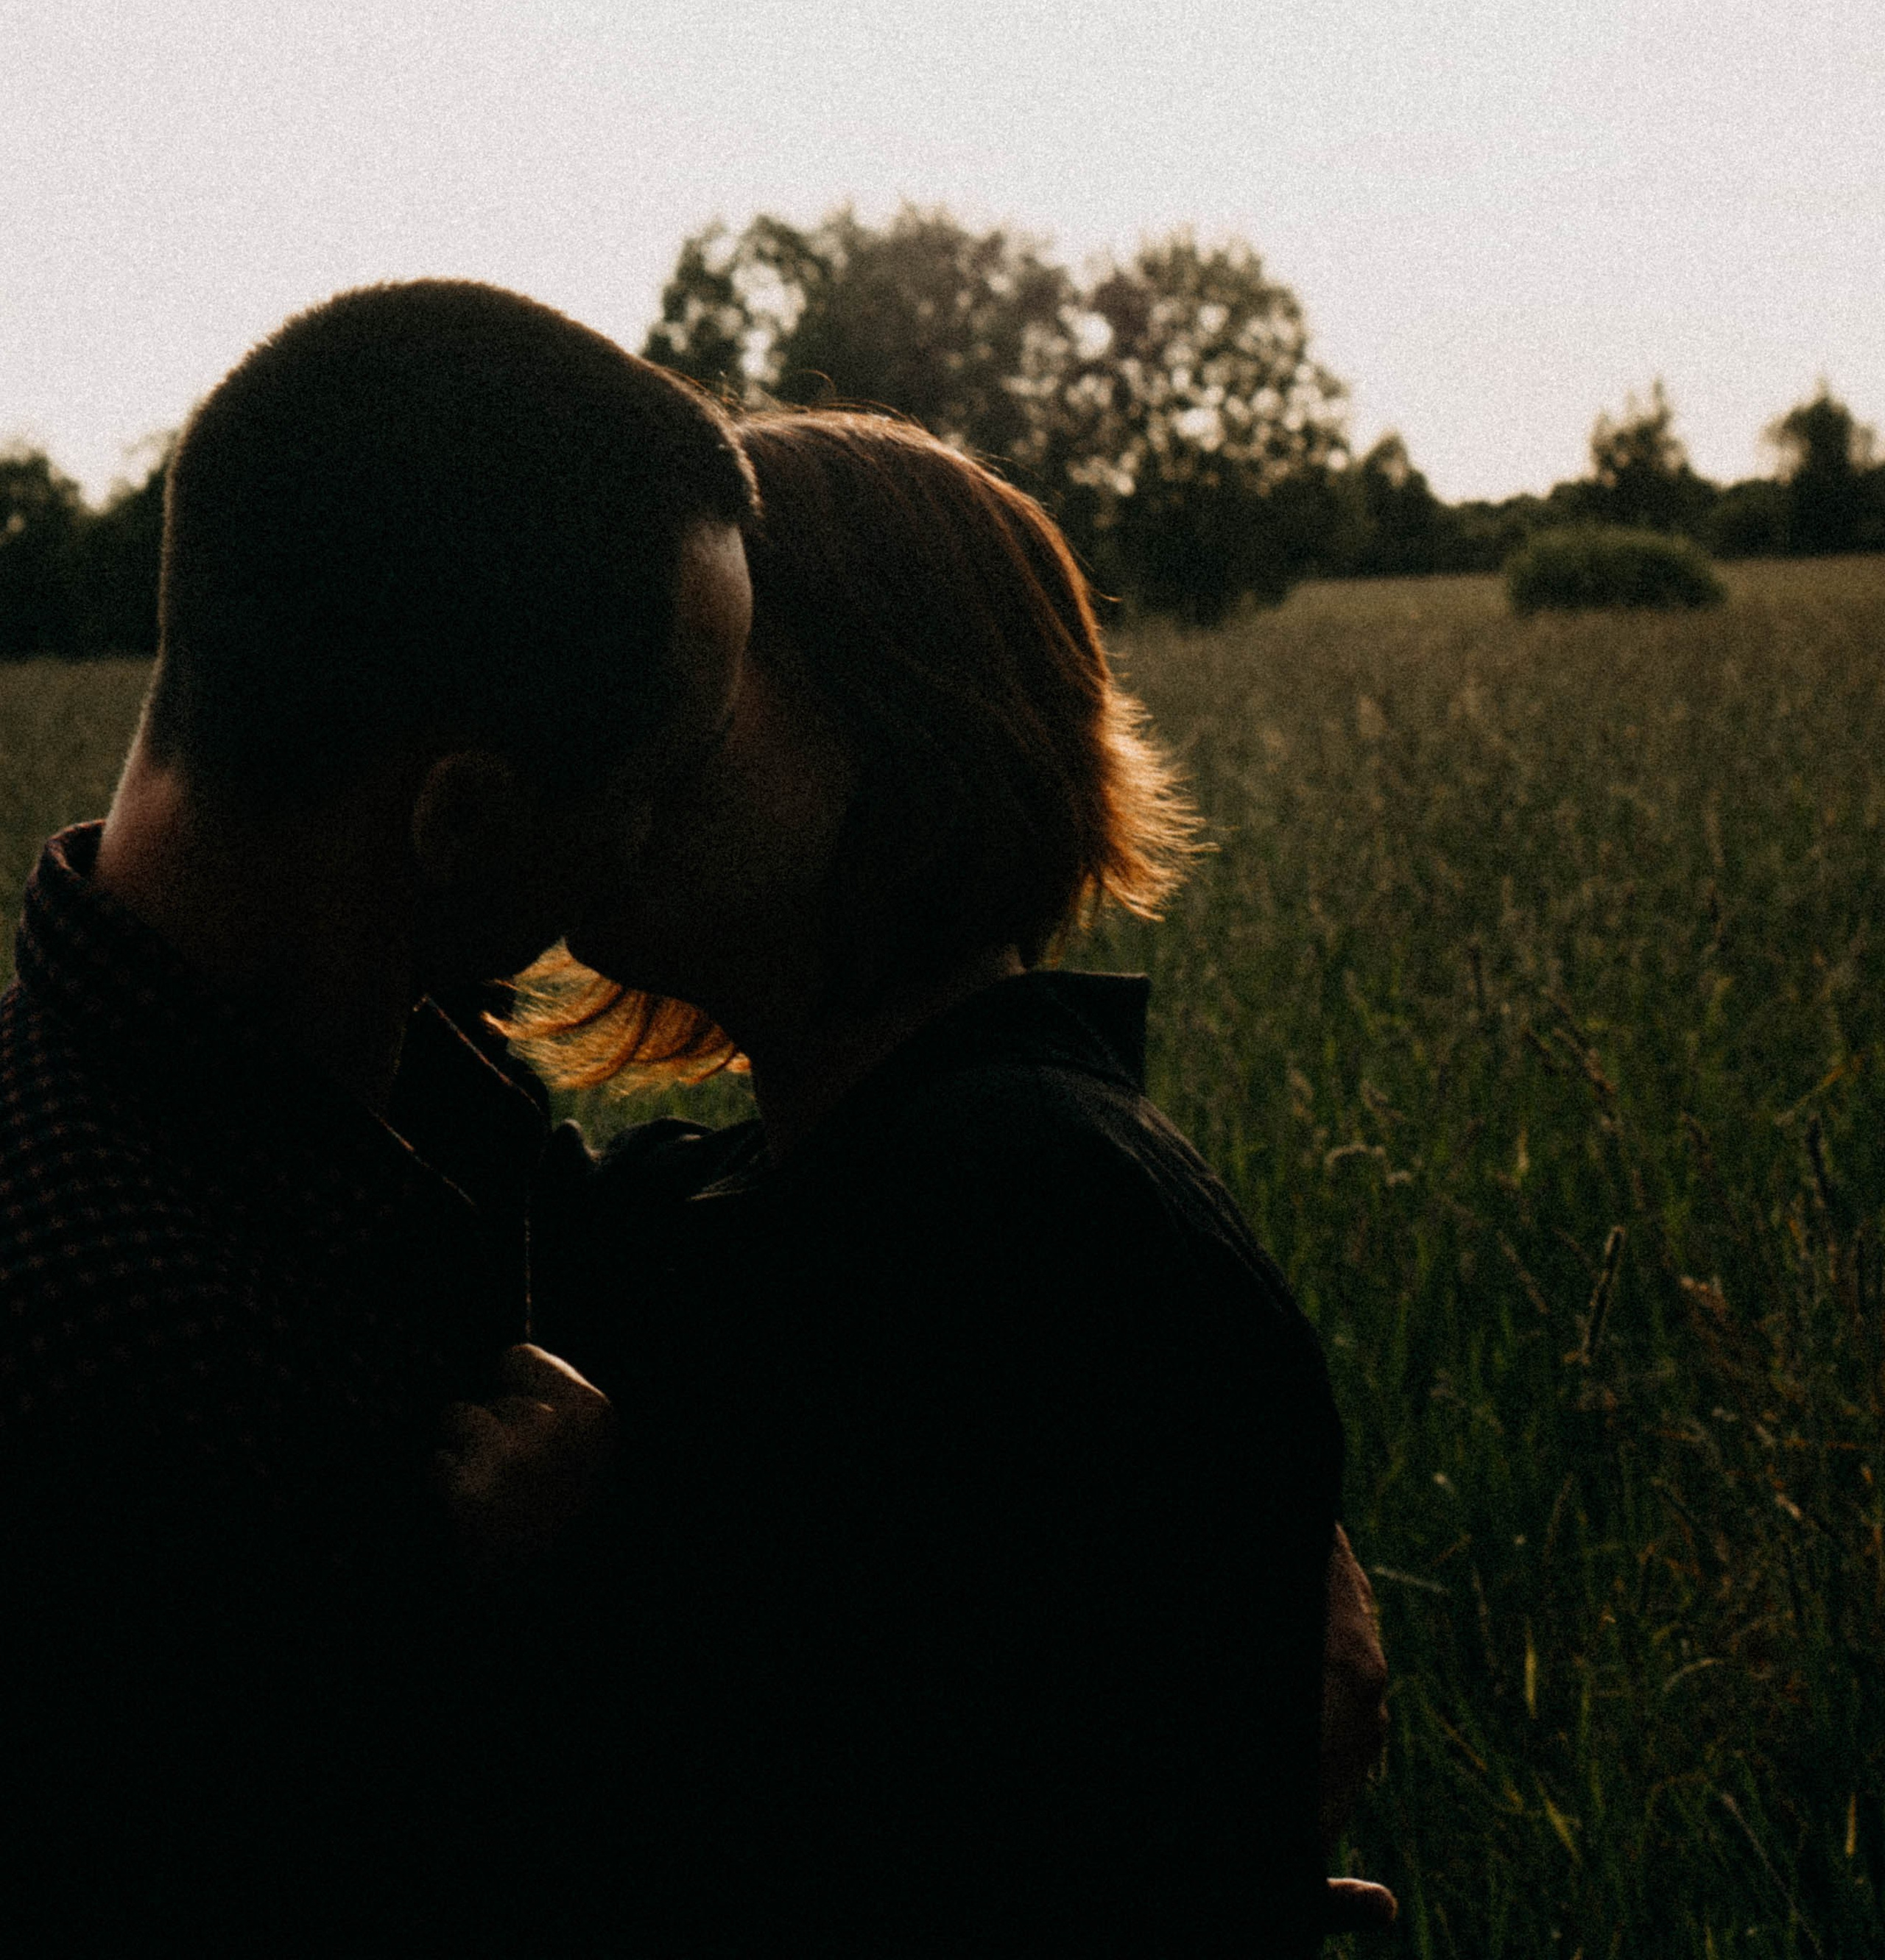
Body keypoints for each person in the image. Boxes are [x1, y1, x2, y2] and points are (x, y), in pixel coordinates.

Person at [515, 410, 1391, 1955]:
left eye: (688, 690)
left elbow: (965, 1849)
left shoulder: (1029, 1225)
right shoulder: (788, 1184)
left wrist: (591, 1564)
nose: (603, 751)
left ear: (902, 724)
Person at [0, 280, 753, 1953]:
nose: (670, 846)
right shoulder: (123, 1365)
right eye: (654, 789)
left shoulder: (403, 1114)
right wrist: (537, 1645)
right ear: (464, 820)